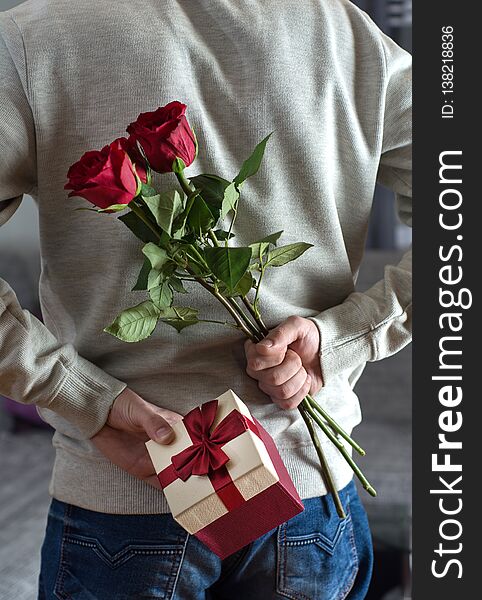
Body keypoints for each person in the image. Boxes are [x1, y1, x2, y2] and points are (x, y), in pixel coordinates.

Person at [0, 0, 411, 598]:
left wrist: (78, 394)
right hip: (310, 490)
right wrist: (343, 340)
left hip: (122, 501)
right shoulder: (343, 29)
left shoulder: (33, 36)